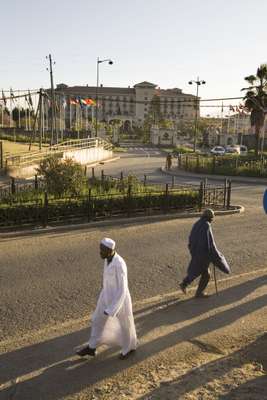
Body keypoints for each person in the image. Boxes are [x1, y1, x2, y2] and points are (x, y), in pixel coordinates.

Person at [76, 238, 137, 360]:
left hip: (119, 301)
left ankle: (129, 347)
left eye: (102, 250)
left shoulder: (119, 264)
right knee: (97, 320)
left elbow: (122, 289)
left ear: (110, 251)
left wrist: (113, 308)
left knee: (126, 325)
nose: (100, 252)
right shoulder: (107, 259)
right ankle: (92, 347)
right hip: (106, 295)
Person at [179, 208, 230, 298]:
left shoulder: (197, 223)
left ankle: (185, 284)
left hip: (195, 252)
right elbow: (209, 244)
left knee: (196, 270)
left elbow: (192, 239)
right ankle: (198, 292)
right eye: (212, 218)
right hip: (203, 254)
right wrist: (215, 257)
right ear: (210, 218)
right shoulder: (206, 225)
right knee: (205, 274)